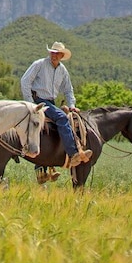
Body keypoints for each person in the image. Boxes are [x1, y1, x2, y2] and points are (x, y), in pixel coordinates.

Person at [20, 41, 92, 169]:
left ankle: (42, 167)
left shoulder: (63, 70)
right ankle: (73, 153)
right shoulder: (40, 64)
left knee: (57, 123)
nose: (54, 55)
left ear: (61, 56)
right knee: (62, 118)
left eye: (57, 53)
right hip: (38, 101)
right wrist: (31, 103)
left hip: (50, 102)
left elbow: (68, 90)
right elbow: (25, 81)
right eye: (53, 52)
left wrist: (72, 105)